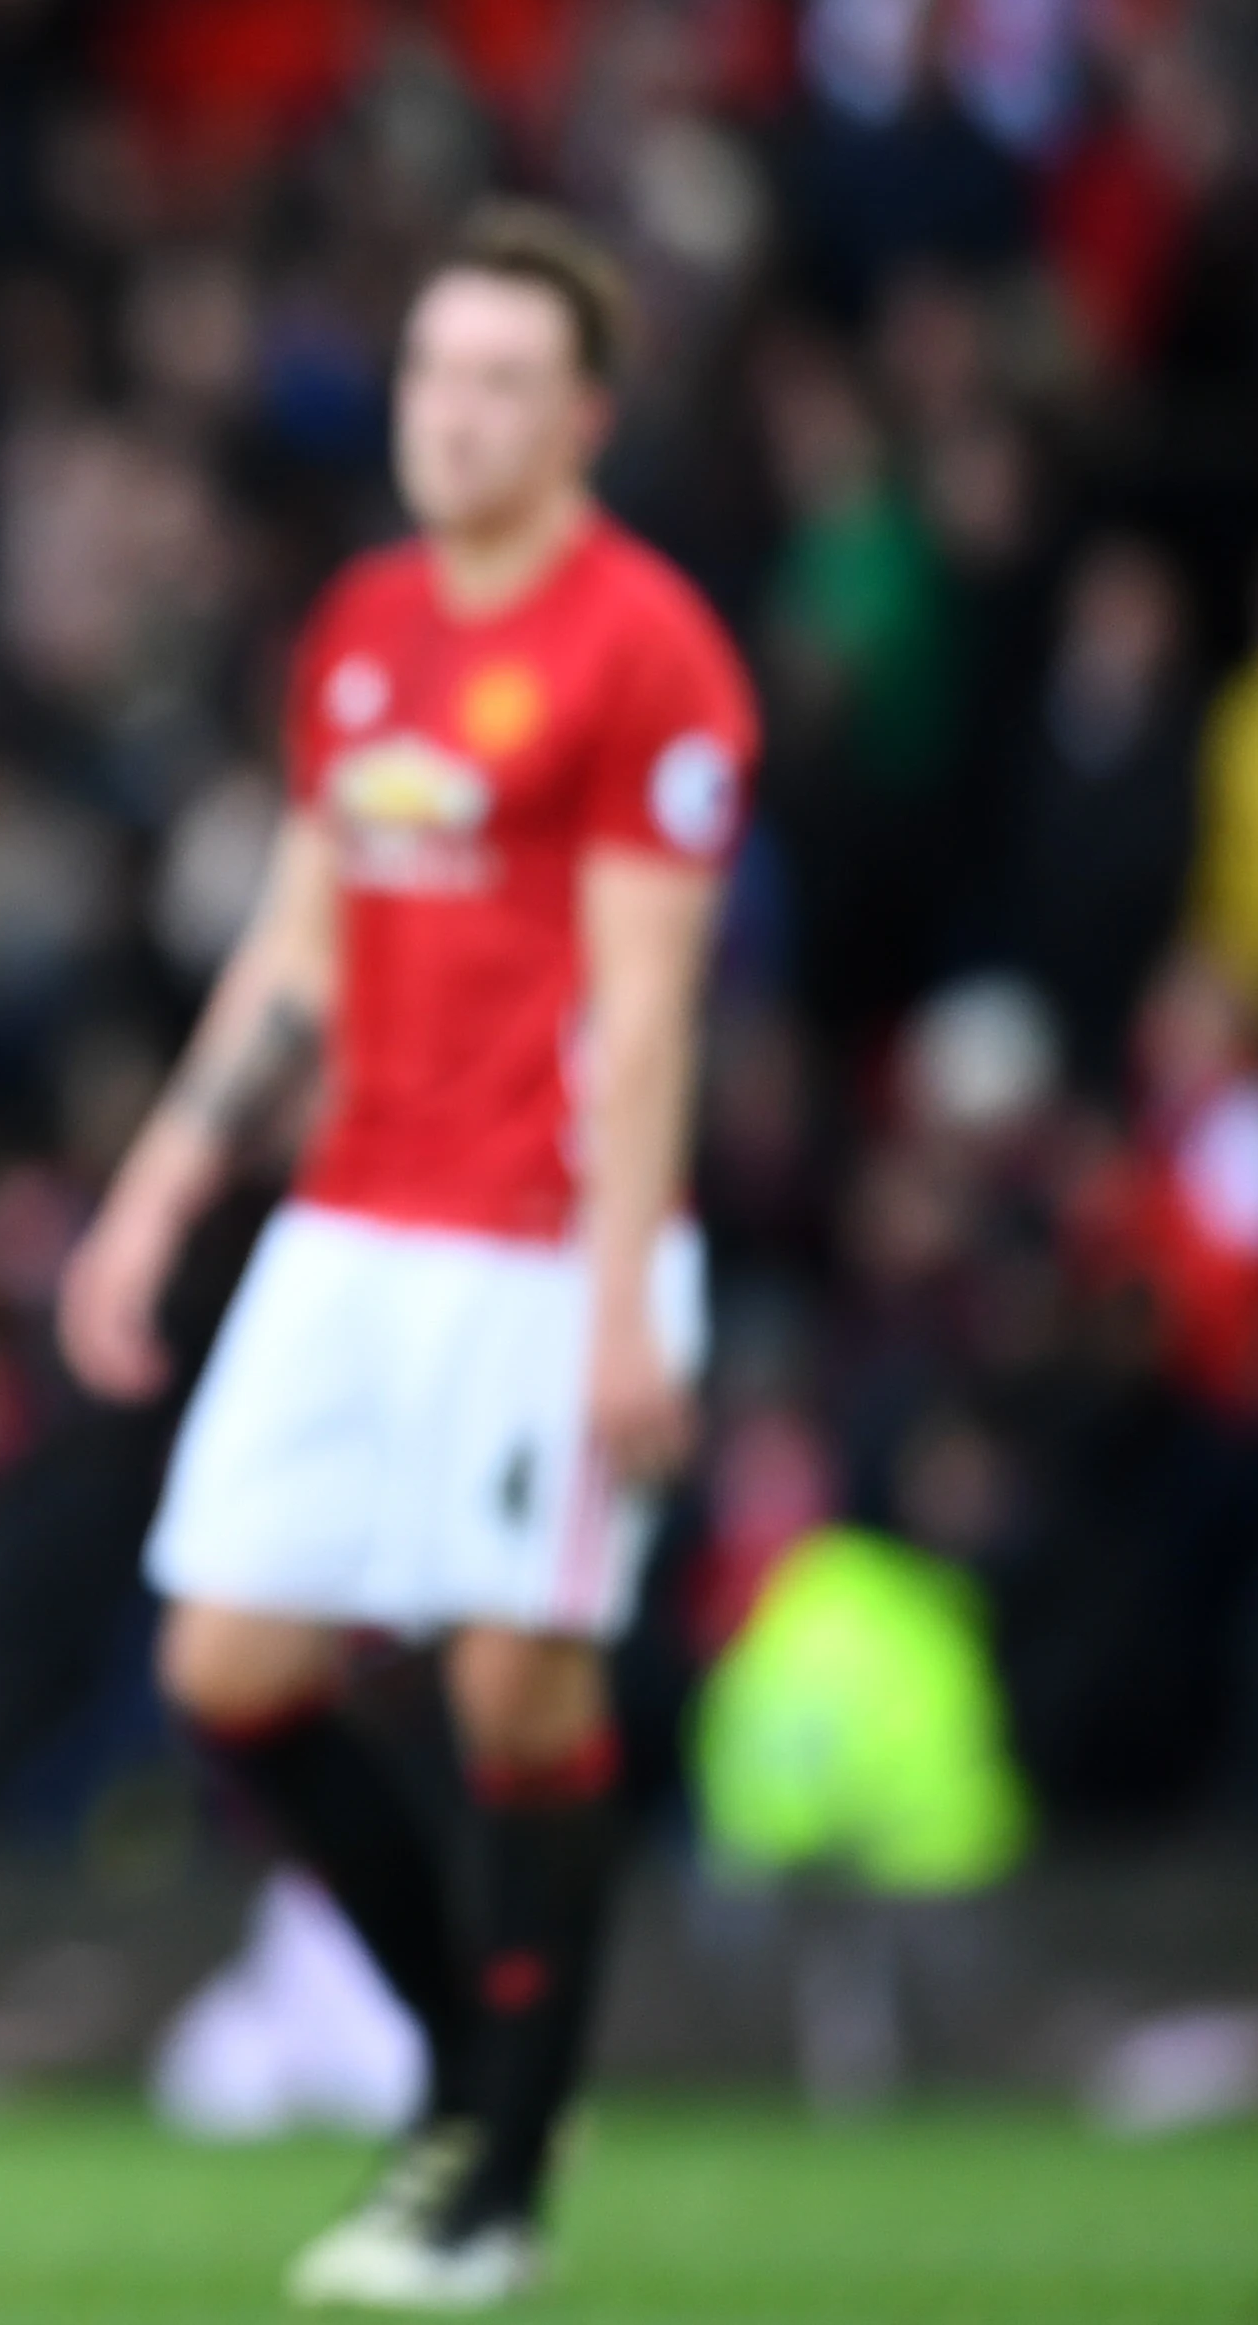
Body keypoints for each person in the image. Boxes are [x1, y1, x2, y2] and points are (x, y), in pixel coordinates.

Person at [59, 202, 759, 2310]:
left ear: (583, 420)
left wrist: (634, 1300)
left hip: (544, 1249)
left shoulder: (649, 651)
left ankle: (498, 2177)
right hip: (353, 1215)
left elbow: (647, 1010)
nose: (449, 416)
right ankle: (487, 2061)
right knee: (227, 1667)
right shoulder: (364, 623)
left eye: (497, 385)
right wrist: (164, 1186)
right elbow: (304, 934)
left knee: (512, 1678)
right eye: (431, 373)